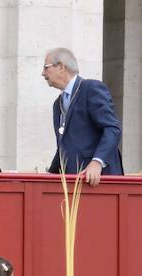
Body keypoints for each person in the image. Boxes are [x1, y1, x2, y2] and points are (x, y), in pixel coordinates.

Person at [42, 47, 123, 185]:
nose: (43, 73)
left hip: (99, 181)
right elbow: (64, 147)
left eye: (46, 67)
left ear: (61, 66)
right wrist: (49, 175)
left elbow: (112, 128)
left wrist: (97, 162)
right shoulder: (58, 105)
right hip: (73, 184)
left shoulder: (91, 89)